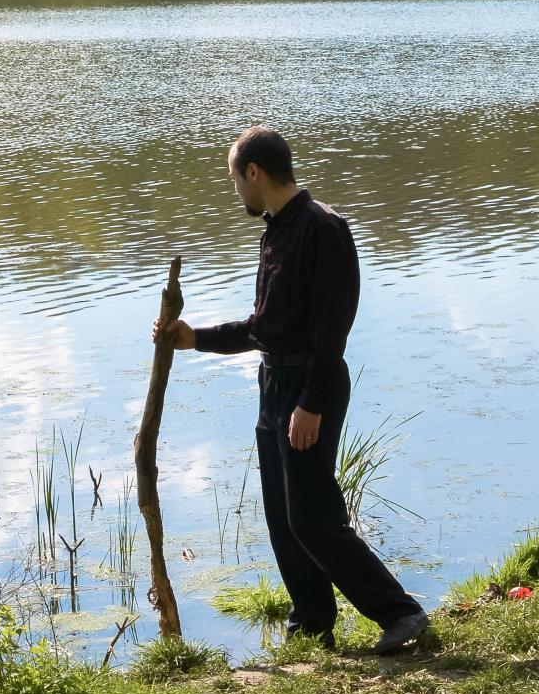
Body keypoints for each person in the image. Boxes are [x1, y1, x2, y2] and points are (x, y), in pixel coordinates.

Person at [152, 125, 430, 655]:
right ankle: (313, 623)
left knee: (312, 516)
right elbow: (265, 327)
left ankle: (401, 613)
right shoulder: (275, 232)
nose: (236, 191)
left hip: (308, 385)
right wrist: (195, 339)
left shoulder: (322, 229)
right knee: (283, 517)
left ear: (254, 173)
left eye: (236, 179)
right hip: (273, 383)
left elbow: (334, 328)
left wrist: (312, 403)